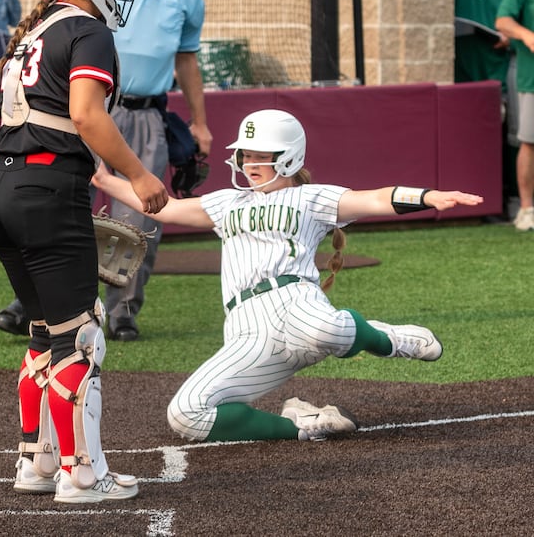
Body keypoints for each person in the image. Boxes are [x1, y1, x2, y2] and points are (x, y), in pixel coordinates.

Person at [92, 108, 483, 442]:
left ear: (289, 157)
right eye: (245, 154)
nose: (249, 163)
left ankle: (389, 340)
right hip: (247, 330)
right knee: (186, 414)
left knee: (324, 329)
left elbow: (377, 197)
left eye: (261, 155)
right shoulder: (227, 202)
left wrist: (429, 197)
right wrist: (108, 181)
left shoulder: (310, 198)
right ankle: (302, 423)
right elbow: (167, 210)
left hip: (295, 304)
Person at [0, 0, 167, 503]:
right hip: (45, 192)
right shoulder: (86, 29)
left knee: (45, 334)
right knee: (81, 339)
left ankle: (36, 464)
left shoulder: (33, 29)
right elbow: (86, 114)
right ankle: (83, 474)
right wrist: (138, 174)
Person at [0, 0, 212, 342]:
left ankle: (123, 310)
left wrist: (199, 122)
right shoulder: (88, 10)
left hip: (142, 109)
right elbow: (82, 105)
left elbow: (187, 59)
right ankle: (33, 303)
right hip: (87, 110)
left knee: (140, 216)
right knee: (63, 205)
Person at [455, 0, 516, 219]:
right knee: (466, 144)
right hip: (464, 79)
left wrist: (510, 37)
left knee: (502, 143)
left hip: (499, 79)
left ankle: (500, 201)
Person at [497, 0, 534, 231]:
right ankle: (526, 209)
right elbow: (503, 21)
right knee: (529, 142)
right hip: (532, 79)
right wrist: (526, 34)